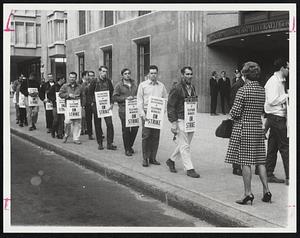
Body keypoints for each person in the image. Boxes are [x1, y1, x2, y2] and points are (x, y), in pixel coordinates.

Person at [225, 61, 271, 205]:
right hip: (257, 127)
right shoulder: (262, 90)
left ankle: (247, 193)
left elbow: (236, 111)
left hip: (244, 128)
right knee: (260, 160)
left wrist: (230, 115)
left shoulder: (243, 90)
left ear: (245, 74)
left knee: (245, 162)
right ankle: (266, 190)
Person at [166, 66, 200, 178]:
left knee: (185, 143)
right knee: (185, 145)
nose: (189, 76)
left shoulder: (193, 87)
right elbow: (170, 106)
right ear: (182, 75)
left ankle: (171, 160)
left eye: (191, 74)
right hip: (180, 119)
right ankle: (189, 168)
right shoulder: (177, 88)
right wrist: (173, 122)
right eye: (187, 74)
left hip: (190, 119)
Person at [137, 65, 168, 167]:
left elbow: (165, 98)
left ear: (157, 74)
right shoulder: (143, 85)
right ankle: (145, 158)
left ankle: (153, 158)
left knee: (155, 136)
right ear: (148, 74)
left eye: (155, 73)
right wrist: (142, 114)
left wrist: (162, 110)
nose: (153, 75)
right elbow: (139, 100)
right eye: (151, 73)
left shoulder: (161, 86)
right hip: (146, 113)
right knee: (146, 136)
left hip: (157, 114)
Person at [264, 58, 289, 185]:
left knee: (273, 146)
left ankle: (268, 173)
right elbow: (272, 100)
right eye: (288, 68)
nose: (289, 70)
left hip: (275, 117)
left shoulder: (280, 81)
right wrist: (287, 96)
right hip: (277, 117)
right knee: (285, 147)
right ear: (282, 68)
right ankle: (290, 176)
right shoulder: (274, 82)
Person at [89, 66, 117, 150]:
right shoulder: (94, 81)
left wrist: (112, 103)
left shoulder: (108, 81)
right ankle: (100, 143)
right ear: (99, 72)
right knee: (98, 124)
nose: (105, 73)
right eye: (103, 71)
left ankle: (109, 143)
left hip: (107, 105)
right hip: (97, 105)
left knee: (109, 124)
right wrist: (92, 103)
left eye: (106, 72)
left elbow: (112, 92)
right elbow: (90, 93)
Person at [113, 68, 139, 156]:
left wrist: (136, 97)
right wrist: (125, 98)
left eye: (128, 73)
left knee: (135, 128)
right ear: (122, 75)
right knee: (126, 130)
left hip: (134, 110)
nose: (127, 75)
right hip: (123, 110)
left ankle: (130, 145)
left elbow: (139, 94)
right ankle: (127, 149)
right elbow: (115, 97)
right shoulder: (119, 85)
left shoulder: (134, 84)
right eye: (125, 73)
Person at [59, 72, 86, 144]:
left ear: (76, 78)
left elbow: (83, 96)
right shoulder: (65, 86)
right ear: (68, 77)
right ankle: (66, 134)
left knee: (77, 123)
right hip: (68, 106)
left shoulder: (80, 86)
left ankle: (76, 138)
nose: (72, 79)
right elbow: (60, 94)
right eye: (71, 77)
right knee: (67, 122)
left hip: (77, 106)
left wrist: (82, 106)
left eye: (73, 77)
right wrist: (68, 95)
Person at [82, 71, 95, 140]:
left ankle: (100, 132)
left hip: (95, 103)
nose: (91, 77)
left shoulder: (97, 83)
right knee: (88, 119)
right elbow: (83, 94)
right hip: (88, 104)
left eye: (93, 75)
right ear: (87, 76)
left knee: (97, 119)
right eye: (90, 76)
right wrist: (83, 104)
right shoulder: (84, 84)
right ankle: (90, 134)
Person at [80, 71, 89, 135]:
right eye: (87, 75)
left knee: (86, 116)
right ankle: (81, 129)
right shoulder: (80, 83)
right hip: (81, 102)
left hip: (87, 102)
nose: (88, 77)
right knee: (82, 116)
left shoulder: (88, 83)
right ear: (84, 76)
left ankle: (85, 129)